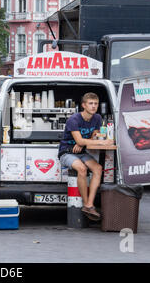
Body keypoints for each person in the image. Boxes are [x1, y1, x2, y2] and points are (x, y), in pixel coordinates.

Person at [58, 92, 113, 221]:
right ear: (84, 105)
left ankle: (89, 205)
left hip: (81, 152)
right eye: (90, 104)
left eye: (96, 104)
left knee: (98, 169)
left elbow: (91, 136)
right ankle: (86, 204)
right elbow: (82, 140)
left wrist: (83, 142)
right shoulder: (74, 119)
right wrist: (100, 142)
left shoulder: (97, 118)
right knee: (82, 169)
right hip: (66, 152)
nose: (93, 106)